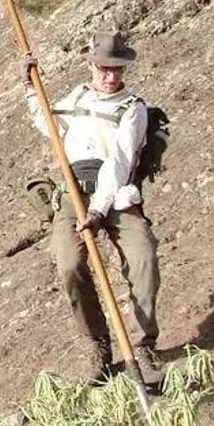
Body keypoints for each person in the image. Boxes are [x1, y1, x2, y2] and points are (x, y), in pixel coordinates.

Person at [21, 31, 161, 383]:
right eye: (103, 68)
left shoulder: (133, 109)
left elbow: (120, 161)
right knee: (70, 264)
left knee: (143, 259)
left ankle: (143, 346)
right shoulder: (77, 98)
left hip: (115, 194)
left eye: (117, 69)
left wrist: (98, 210)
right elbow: (49, 124)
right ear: (91, 66)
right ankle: (97, 344)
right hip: (71, 194)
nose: (110, 76)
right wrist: (29, 87)